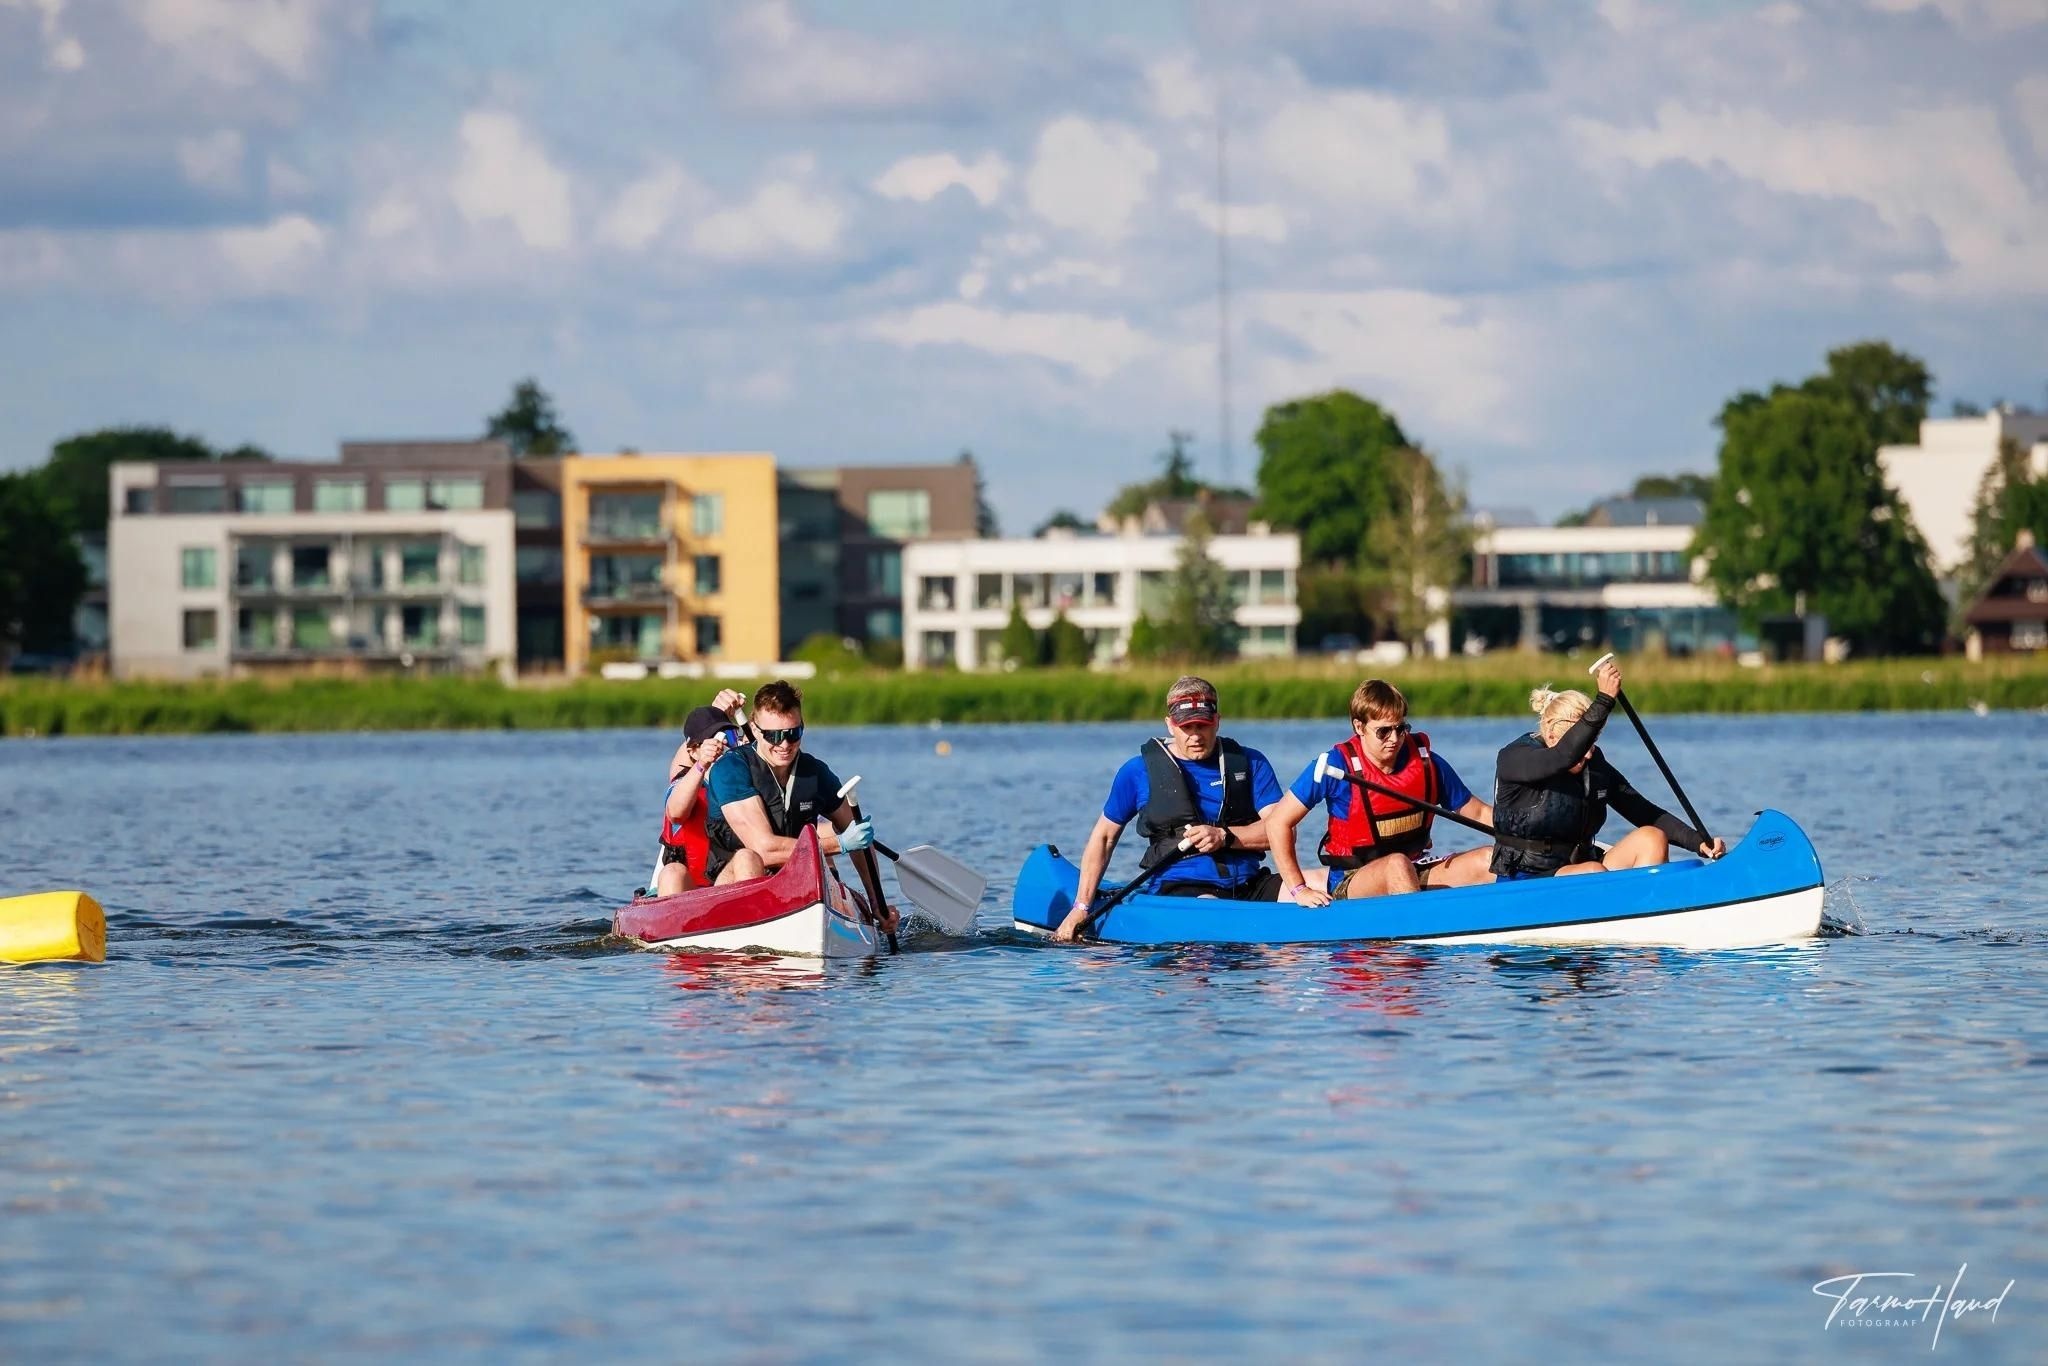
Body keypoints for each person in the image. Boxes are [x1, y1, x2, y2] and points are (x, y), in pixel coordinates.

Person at [1053, 676, 1286, 942]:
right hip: (1182, 889)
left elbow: (1281, 831)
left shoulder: (1251, 763)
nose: (1195, 735)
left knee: (1319, 881)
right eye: (1187, 727)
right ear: (1170, 725)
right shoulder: (1137, 771)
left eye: (1203, 725)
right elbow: (1104, 837)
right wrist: (1081, 907)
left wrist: (1224, 836)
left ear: (1217, 721)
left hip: (1249, 883)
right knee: (1211, 909)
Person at [1491, 657, 1727, 879]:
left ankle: (1647, 903)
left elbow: (1644, 811)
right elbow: (1563, 756)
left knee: (1652, 838)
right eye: (1582, 745)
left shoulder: (1595, 766)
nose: (1587, 753)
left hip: (1582, 870)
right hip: (1525, 878)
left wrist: (1697, 841)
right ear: (1551, 734)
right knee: (1592, 871)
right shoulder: (1515, 758)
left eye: (1592, 743)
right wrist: (1604, 700)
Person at [1266, 678, 1495, 905]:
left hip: (1416, 867)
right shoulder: (1334, 767)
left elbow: (1478, 813)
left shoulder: (1427, 764)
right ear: (1359, 727)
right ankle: (1419, 925)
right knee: (1397, 865)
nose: (1394, 739)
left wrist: (1515, 832)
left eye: (1401, 729)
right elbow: (1277, 823)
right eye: (1383, 731)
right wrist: (1299, 889)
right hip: (1354, 879)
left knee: (1491, 860)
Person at [703, 681, 892, 931]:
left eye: (793, 733)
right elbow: (764, 849)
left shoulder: (815, 772)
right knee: (748, 858)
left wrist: (877, 902)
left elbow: (856, 834)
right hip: (731, 882)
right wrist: (841, 844)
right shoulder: (730, 769)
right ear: (755, 730)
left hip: (796, 880)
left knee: (824, 866)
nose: (784, 745)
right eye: (774, 736)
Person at [651, 697, 742, 896]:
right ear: (693, 751)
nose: (722, 747)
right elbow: (676, 813)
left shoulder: (744, 779)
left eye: (729, 737)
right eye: (713, 741)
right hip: (687, 889)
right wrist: (702, 764)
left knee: (746, 858)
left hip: (726, 881)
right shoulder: (682, 782)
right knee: (672, 873)